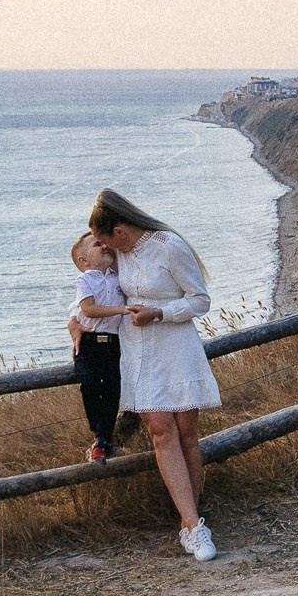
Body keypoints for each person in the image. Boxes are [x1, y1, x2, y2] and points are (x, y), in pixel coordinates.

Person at [87, 188, 219, 561]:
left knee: (187, 433)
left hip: (176, 345)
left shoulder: (169, 246)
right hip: (139, 351)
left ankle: (189, 520)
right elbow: (88, 280)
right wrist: (75, 323)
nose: (104, 247)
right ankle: (194, 526)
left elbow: (200, 301)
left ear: (121, 231)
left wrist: (160, 312)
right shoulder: (116, 253)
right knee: (161, 430)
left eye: (105, 240)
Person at [67, 234, 131, 462]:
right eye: (97, 245)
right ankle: (99, 436)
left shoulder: (118, 276)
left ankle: (106, 436)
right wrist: (122, 310)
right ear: (84, 261)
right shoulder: (85, 280)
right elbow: (88, 310)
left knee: (113, 387)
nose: (104, 246)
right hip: (90, 343)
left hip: (114, 343)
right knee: (91, 386)